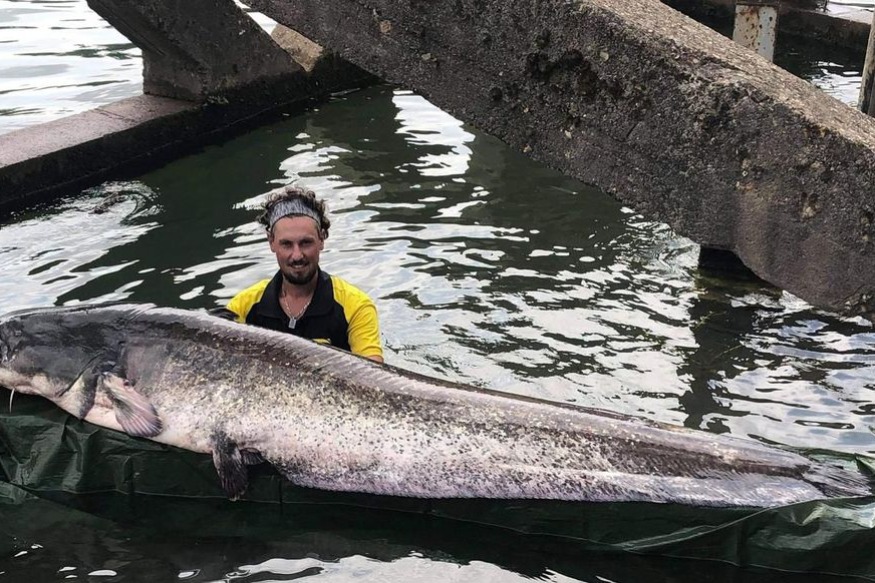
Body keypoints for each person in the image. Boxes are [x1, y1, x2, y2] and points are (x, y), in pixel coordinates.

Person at [218, 185, 384, 362]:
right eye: (286, 244)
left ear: (322, 239)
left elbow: (376, 379)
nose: (297, 255)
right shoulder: (244, 306)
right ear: (271, 242)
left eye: (306, 243)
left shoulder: (357, 306)